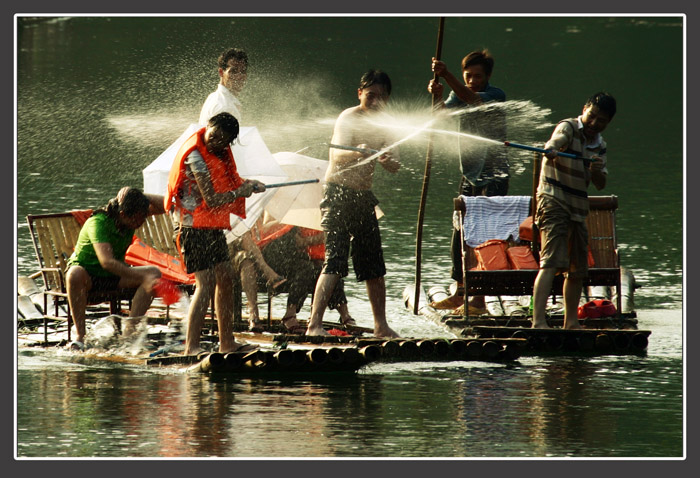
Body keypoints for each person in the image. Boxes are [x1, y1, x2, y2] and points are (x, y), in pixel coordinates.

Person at [305, 70, 400, 338]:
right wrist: (360, 151)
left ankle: (381, 326)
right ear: (360, 94)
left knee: (374, 265)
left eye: (382, 97)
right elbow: (336, 156)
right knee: (335, 260)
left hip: (363, 196)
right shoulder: (348, 118)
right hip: (337, 195)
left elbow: (395, 165)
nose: (376, 101)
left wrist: (386, 160)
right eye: (371, 95)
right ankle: (314, 325)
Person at [199, 47, 287, 332]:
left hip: (227, 188)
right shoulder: (219, 103)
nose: (238, 76)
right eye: (232, 71)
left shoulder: (230, 101)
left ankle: (240, 322)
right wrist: (242, 183)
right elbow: (217, 152)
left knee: (239, 255)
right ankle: (228, 327)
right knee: (232, 258)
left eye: (242, 71)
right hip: (215, 194)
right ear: (220, 72)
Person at [165, 112, 266, 355]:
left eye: (223, 140)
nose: (217, 141)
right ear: (207, 127)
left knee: (226, 277)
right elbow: (211, 199)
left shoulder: (221, 154)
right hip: (191, 228)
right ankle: (191, 347)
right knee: (206, 283)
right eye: (215, 135)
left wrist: (249, 183)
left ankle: (227, 343)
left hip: (211, 227)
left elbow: (231, 182)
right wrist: (240, 192)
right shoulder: (196, 155)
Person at [427, 49, 509, 313]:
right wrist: (438, 97)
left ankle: (479, 300)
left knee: (483, 236)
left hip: (494, 175)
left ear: (488, 77)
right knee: (459, 232)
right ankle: (461, 290)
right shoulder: (456, 93)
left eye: (477, 76)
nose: (472, 80)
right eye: (468, 76)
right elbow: (441, 118)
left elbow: (471, 100)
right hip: (469, 172)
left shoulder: (496, 96)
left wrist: (446, 74)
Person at [531, 92, 616, 329]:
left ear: (608, 123)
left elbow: (600, 183)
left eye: (601, 121)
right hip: (553, 200)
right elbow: (556, 140)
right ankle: (538, 322)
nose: (594, 123)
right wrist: (551, 148)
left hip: (578, 209)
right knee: (550, 262)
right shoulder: (568, 127)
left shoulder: (600, 146)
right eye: (592, 116)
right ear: (585, 109)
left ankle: (571, 323)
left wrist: (597, 169)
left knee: (577, 269)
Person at [65, 187, 165, 350]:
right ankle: (80, 336)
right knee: (74, 274)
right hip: (88, 277)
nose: (140, 223)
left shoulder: (131, 214)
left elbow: (166, 206)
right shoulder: (98, 222)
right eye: (137, 219)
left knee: (154, 274)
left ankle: (129, 333)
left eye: (143, 218)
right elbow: (107, 262)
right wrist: (139, 276)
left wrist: (139, 196)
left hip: (113, 277)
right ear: (123, 214)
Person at [254, 215, 355, 332]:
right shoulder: (277, 205)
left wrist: (307, 240)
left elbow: (310, 241)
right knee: (306, 268)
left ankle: (344, 316)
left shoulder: (309, 209)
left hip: (297, 258)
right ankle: (289, 315)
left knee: (329, 272)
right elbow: (266, 229)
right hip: (273, 255)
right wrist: (289, 221)